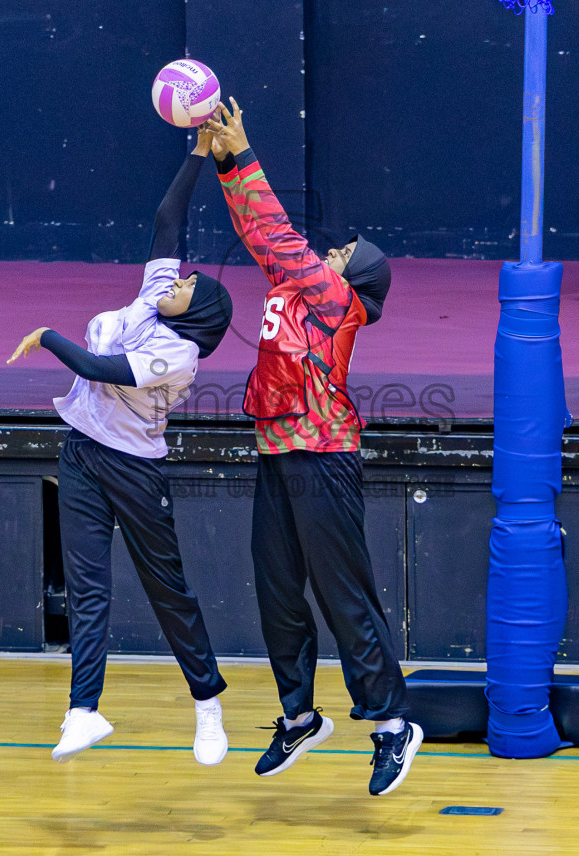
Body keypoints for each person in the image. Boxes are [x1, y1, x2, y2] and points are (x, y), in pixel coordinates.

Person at [206, 99, 421, 797]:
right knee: (276, 590)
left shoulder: (334, 298)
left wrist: (239, 158)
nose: (328, 252)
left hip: (324, 458)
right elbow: (261, 236)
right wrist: (221, 165)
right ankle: (299, 714)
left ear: (353, 276)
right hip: (279, 454)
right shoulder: (297, 292)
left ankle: (393, 723)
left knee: (341, 592)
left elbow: (274, 233)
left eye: (341, 254)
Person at [8, 123, 235, 765]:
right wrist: (196, 152)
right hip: (80, 450)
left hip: (134, 470)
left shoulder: (180, 353)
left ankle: (207, 704)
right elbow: (168, 220)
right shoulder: (150, 300)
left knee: (168, 589)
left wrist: (50, 336)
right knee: (86, 584)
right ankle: (83, 710)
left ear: (198, 313)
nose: (177, 279)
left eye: (188, 285)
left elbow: (100, 370)